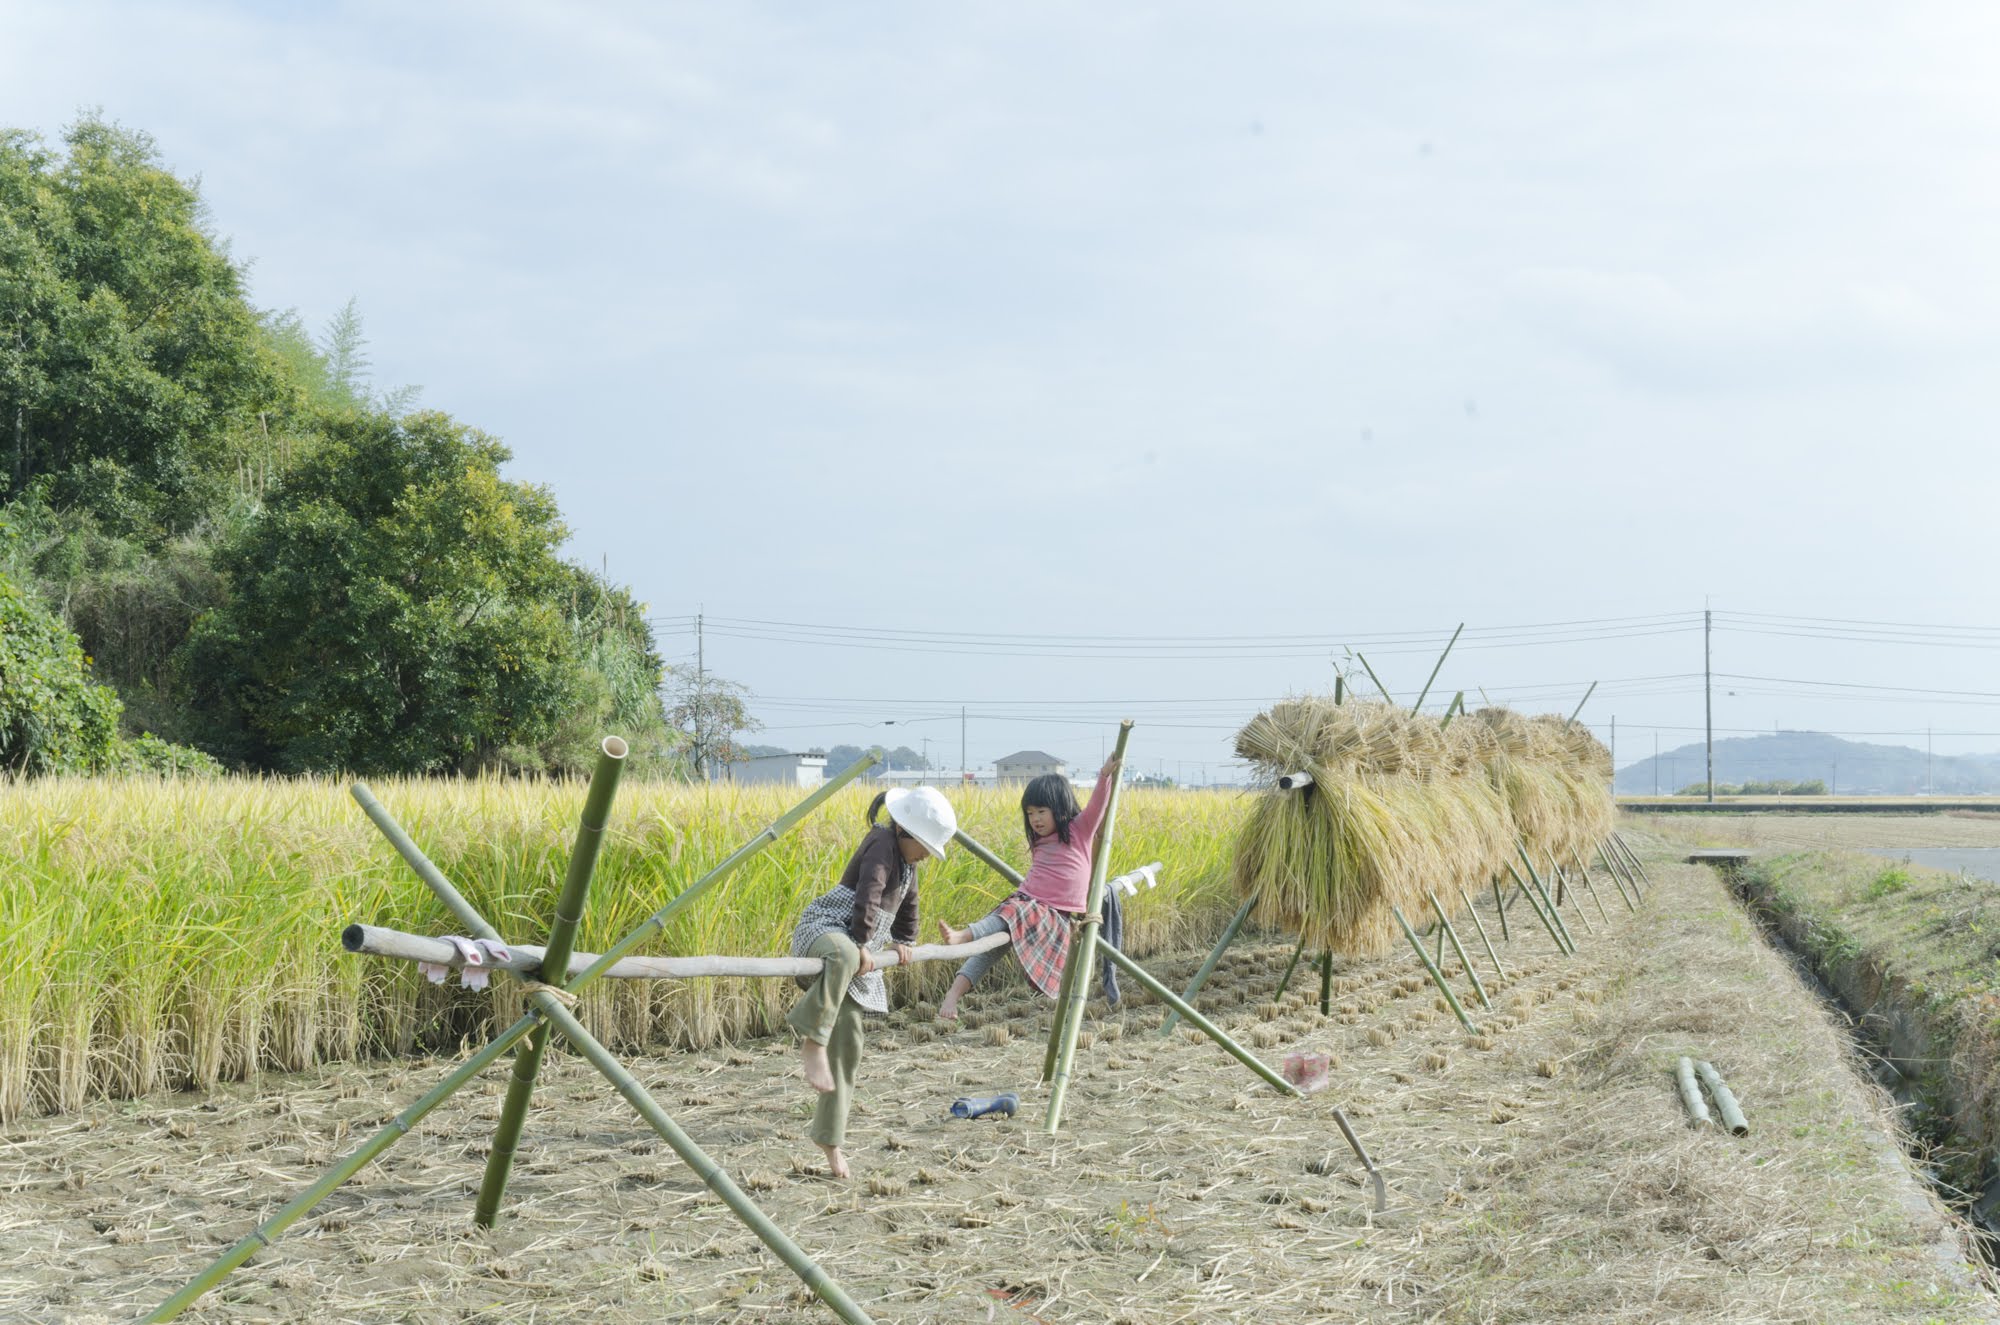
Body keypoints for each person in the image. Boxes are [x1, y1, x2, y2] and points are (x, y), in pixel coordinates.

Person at [786, 784, 956, 1179]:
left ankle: (830, 1141)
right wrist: (862, 942)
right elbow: (870, 891)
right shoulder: (882, 842)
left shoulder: (909, 863)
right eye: (926, 845)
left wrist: (904, 942)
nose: (927, 855)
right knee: (844, 953)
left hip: (857, 950)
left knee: (849, 1041)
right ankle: (812, 1039)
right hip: (827, 932)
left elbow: (909, 904)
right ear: (906, 832)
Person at [933, 757, 1120, 1021]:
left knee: (1011, 913)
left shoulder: (1079, 830)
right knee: (990, 948)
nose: (1035, 819)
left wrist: (1104, 775)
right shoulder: (1039, 841)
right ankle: (953, 994)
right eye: (1030, 813)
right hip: (1028, 903)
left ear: (1060, 807)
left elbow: (1098, 805)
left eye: (1041, 811)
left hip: (1052, 913)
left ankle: (964, 936)